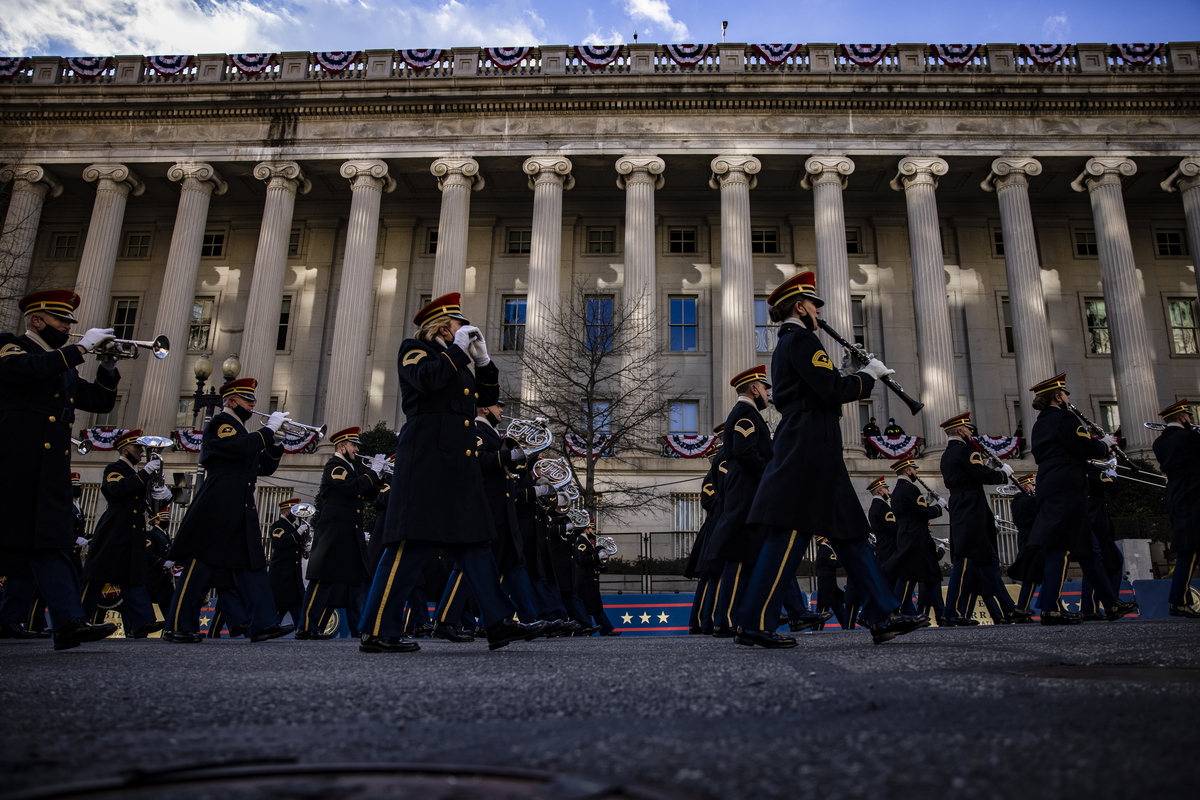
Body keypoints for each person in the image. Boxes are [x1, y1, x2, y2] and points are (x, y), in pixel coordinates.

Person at [735, 271, 926, 648]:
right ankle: (754, 622)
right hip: (808, 443)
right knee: (787, 533)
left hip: (817, 441)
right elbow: (832, 389)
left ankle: (882, 614)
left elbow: (823, 386)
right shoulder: (801, 339)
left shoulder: (797, 341)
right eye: (814, 307)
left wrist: (855, 372)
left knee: (851, 533)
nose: (819, 314)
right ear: (800, 306)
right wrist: (867, 376)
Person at [358, 293, 546, 653]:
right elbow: (427, 380)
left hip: (458, 464)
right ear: (443, 326)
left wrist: (484, 361)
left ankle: (498, 622)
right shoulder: (415, 349)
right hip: (427, 462)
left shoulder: (457, 362)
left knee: (475, 543)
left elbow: (486, 396)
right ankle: (378, 630)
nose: (467, 331)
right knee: (408, 546)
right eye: (461, 325)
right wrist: (458, 350)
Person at [0, 289, 119, 650]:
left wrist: (108, 367)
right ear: (36, 320)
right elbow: (23, 371)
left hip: (48, 467)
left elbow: (97, 400)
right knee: (20, 542)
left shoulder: (60, 362)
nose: (68, 327)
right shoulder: (12, 345)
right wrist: (80, 350)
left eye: (70, 322)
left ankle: (68, 621)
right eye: (61, 320)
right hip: (13, 461)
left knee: (50, 542)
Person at [163, 377, 295, 643]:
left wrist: (277, 442)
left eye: (253, 401)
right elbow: (239, 448)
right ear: (231, 401)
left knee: (251, 565)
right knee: (199, 564)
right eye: (248, 400)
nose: (252, 405)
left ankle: (263, 623)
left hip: (240, 505)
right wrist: (268, 430)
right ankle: (177, 624)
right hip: (219, 504)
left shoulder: (243, 431)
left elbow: (262, 467)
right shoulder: (222, 424)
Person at [1026, 374, 1137, 625]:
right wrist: (1103, 444)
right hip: (1067, 485)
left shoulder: (1040, 422)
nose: (1067, 398)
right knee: (1060, 547)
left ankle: (1110, 604)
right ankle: (1050, 607)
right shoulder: (1065, 417)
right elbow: (1084, 447)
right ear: (1057, 396)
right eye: (1065, 394)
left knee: (1088, 550)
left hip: (1054, 483)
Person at [938, 412, 1031, 626]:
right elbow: (982, 476)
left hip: (962, 506)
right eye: (969, 430)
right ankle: (950, 612)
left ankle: (1008, 610)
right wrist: (1003, 473)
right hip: (971, 508)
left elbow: (970, 474)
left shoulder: (948, 454)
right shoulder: (966, 449)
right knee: (964, 562)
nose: (971, 433)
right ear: (961, 431)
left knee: (987, 562)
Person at [80, 429, 171, 638]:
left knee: (133, 576)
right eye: (137, 446)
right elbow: (117, 489)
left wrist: (164, 497)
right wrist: (145, 473)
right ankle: (79, 617)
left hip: (134, 529)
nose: (141, 451)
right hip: (116, 527)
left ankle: (142, 621)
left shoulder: (138, 473)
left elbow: (150, 506)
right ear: (124, 449)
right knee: (96, 575)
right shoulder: (116, 468)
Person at [705, 365, 774, 637]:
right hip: (746, 490)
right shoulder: (746, 414)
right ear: (754, 388)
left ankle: (732, 618)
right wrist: (770, 473)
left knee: (746, 557)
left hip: (746, 489)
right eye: (765, 388)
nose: (769, 394)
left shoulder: (747, 413)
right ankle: (728, 620)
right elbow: (746, 453)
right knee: (738, 556)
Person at [298, 427, 385, 638]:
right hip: (334, 533)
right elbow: (352, 487)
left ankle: (365, 627)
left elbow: (366, 492)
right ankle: (307, 627)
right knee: (323, 579)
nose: (356, 449)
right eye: (354, 445)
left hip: (347, 533)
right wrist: (372, 471)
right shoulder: (335, 465)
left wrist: (380, 475)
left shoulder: (349, 467)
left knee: (356, 580)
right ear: (342, 446)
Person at [883, 456, 947, 627]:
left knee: (932, 575)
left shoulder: (897, 491)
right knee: (909, 575)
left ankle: (942, 614)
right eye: (914, 469)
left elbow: (913, 510)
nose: (916, 472)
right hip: (915, 537)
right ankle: (895, 612)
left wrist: (928, 503)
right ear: (907, 470)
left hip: (912, 535)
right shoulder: (910, 489)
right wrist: (939, 507)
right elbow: (923, 513)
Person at [1151, 399, 1200, 618]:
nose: (1190, 420)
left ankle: (1182, 600)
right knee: (1191, 549)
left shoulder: (1159, 442)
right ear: (1182, 417)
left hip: (1174, 492)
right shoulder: (1189, 437)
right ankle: (1178, 600)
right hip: (1192, 492)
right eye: (1188, 416)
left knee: (1190, 547)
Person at [686, 424, 724, 634]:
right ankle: (701, 621)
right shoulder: (711, 479)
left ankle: (703, 621)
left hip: (716, 531)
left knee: (713, 579)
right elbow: (709, 502)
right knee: (709, 579)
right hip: (712, 532)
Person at [1079, 462, 1123, 620]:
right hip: (1096, 521)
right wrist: (1112, 476)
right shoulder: (1089, 468)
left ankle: (1109, 602)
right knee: (1096, 564)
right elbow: (1112, 488)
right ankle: (1096, 606)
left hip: (1094, 520)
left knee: (1111, 562)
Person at [268, 498, 309, 631]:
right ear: (286, 512)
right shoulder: (278, 525)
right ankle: (272, 627)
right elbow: (281, 543)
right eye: (294, 512)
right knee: (284, 603)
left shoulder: (294, 527)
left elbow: (297, 547)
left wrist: (306, 544)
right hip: (282, 573)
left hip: (293, 573)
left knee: (295, 603)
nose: (296, 516)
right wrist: (297, 533)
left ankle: (302, 629)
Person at [1007, 473, 1042, 613]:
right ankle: (1023, 607)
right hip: (1032, 539)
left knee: (1036, 575)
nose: (1034, 488)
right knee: (1031, 575)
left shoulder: (1019, 500)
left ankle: (1053, 605)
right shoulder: (1026, 501)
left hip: (1027, 538)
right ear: (1026, 486)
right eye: (1032, 485)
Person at [144, 509, 175, 621]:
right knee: (147, 602)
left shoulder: (165, 534)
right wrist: (162, 563)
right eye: (163, 519)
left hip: (164, 577)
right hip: (154, 576)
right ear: (156, 521)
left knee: (167, 603)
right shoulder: (151, 534)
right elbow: (148, 553)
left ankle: (170, 626)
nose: (167, 521)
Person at [813, 537, 848, 630]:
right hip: (827, 582)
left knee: (838, 606)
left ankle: (846, 626)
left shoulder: (823, 549)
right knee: (824, 606)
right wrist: (845, 559)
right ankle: (817, 628)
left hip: (828, 582)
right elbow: (835, 563)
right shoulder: (826, 549)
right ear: (824, 540)